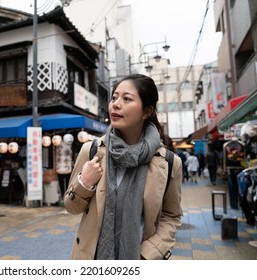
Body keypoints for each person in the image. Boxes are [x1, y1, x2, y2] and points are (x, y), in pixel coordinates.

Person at [64, 74, 182, 260]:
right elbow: (71, 207)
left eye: (127, 99)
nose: (115, 104)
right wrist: (84, 183)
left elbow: (171, 216)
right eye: (114, 98)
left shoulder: (169, 162)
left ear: (147, 111)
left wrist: (148, 254)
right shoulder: (92, 151)